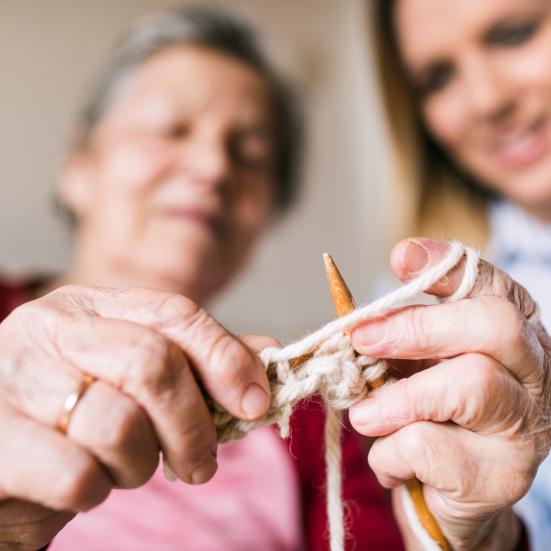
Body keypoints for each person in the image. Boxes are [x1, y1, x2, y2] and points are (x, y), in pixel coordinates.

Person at [0, 4, 548, 551]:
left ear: (265, 220)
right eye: (171, 129)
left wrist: (470, 535)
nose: (214, 168)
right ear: (78, 164)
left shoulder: (316, 424)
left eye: (251, 154)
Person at [369, 0, 551, 549]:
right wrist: (474, 531)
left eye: (514, 34)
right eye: (437, 76)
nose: (487, 101)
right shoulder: (422, 313)